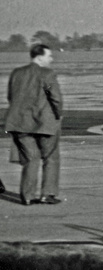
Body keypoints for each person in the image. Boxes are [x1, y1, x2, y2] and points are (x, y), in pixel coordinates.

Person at [5, 44, 63, 206]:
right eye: (49, 56)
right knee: (51, 157)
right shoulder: (48, 75)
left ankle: (28, 196)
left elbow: (11, 96)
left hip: (19, 123)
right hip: (44, 124)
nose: (51, 59)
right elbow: (54, 96)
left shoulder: (17, 73)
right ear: (39, 57)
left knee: (31, 158)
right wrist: (58, 115)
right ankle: (47, 194)